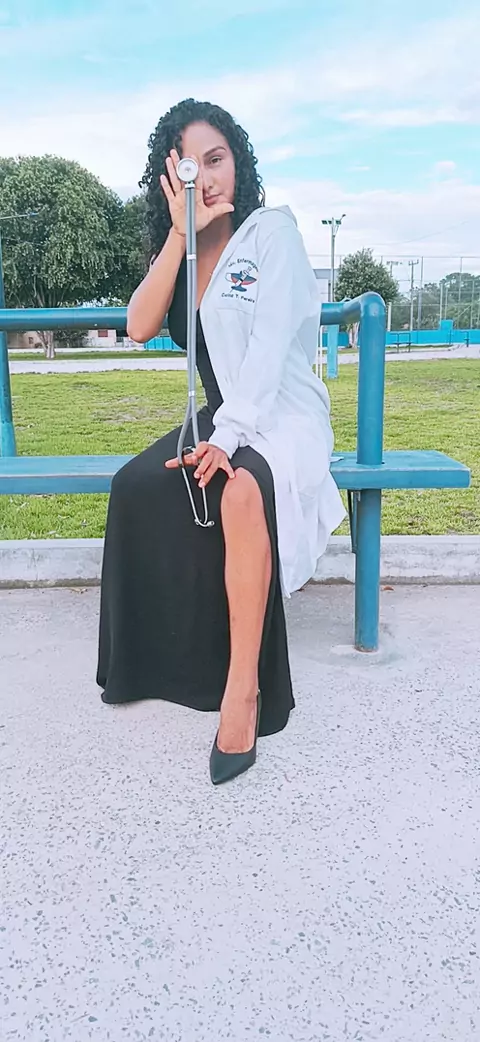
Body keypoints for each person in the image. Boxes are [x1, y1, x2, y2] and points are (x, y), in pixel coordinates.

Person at [96, 98, 345, 785]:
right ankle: (158, 660)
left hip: (280, 415)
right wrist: (181, 234)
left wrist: (229, 438)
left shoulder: (271, 234)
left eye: (217, 159)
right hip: (222, 412)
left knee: (237, 492)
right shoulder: (183, 251)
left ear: (240, 164)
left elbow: (268, 350)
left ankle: (243, 693)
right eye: (189, 166)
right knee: (135, 486)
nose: (205, 177)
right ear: (168, 177)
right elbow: (138, 325)